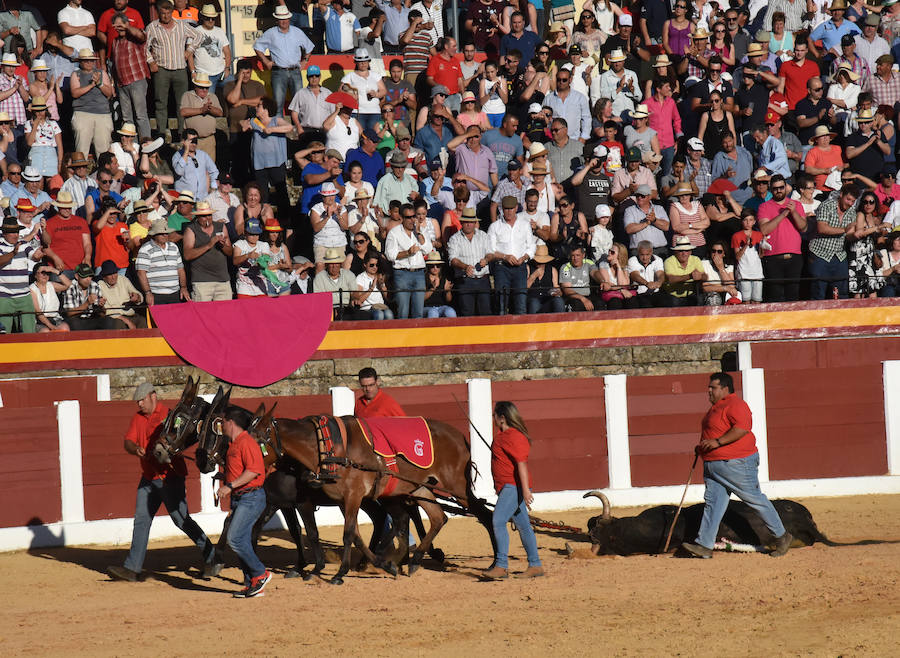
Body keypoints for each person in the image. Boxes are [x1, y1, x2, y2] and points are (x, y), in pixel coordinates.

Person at [107, 382, 219, 582]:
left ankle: (212, 556)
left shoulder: (169, 416)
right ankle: (132, 569)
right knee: (141, 521)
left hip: (170, 477)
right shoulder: (138, 418)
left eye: (142, 399)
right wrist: (135, 449)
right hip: (149, 476)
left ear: (153, 396)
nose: (139, 403)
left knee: (181, 520)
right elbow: (128, 441)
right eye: (138, 400)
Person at [682, 372, 793, 559]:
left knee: (754, 499)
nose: (709, 391)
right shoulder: (717, 407)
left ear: (725, 389)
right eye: (709, 387)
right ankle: (704, 545)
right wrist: (704, 446)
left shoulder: (735, 404)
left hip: (736, 464)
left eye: (713, 387)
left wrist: (717, 442)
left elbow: (742, 428)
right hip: (715, 465)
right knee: (713, 505)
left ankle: (782, 536)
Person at [483, 400, 543, 580]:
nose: (493, 418)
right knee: (524, 526)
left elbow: (521, 464)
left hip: (512, 486)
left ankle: (501, 566)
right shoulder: (506, 436)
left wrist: (525, 491)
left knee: (498, 520)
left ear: (502, 418)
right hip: (508, 487)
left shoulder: (512, 436)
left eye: (495, 415)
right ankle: (535, 565)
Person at [216, 405, 271, 598]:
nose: (221, 425)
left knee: (235, 539)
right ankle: (252, 584)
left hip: (251, 497)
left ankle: (260, 573)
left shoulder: (246, 442)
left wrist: (229, 486)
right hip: (241, 498)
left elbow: (254, 470)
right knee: (242, 539)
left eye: (222, 422)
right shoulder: (233, 444)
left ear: (230, 422)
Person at [146, 0, 198, 138]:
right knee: (160, 101)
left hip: (180, 68)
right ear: (158, 13)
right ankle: (161, 132)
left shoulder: (181, 25)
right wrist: (151, 61)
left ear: (172, 12)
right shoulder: (152, 27)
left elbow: (199, 36)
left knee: (181, 102)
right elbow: (144, 47)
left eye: (168, 13)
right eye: (163, 13)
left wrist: (189, 51)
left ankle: (181, 132)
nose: (166, 16)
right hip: (161, 69)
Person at [253, 5, 314, 117]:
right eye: (281, 19)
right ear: (277, 20)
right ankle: (279, 131)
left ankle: (299, 131)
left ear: (289, 19)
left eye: (285, 18)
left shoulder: (297, 32)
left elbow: (309, 47)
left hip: (295, 70)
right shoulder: (271, 33)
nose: (284, 21)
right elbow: (257, 47)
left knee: (299, 104)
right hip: (278, 71)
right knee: (278, 105)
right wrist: (266, 62)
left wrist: (305, 60)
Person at [809, 183, 859, 299]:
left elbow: (849, 235)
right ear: (841, 195)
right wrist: (844, 230)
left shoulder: (852, 212)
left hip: (839, 255)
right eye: (848, 199)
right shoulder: (826, 205)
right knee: (818, 292)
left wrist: (856, 235)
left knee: (841, 294)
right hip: (820, 254)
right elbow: (822, 228)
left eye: (853, 201)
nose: (850, 203)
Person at [448, 208, 493, 316]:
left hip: (483, 279)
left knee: (485, 313)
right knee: (467, 313)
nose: (468, 224)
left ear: (475, 223)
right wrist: (464, 266)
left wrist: (486, 260)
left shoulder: (483, 236)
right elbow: (452, 259)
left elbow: (491, 253)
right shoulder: (455, 239)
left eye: (471, 222)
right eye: (466, 222)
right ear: (461, 222)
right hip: (465, 281)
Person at [136, 218, 190, 306]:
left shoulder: (174, 247)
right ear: (154, 235)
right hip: (156, 294)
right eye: (162, 233)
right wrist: (148, 293)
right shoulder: (145, 249)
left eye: (166, 233)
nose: (165, 235)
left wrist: (183, 287)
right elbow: (141, 273)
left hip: (175, 293)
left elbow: (180, 269)